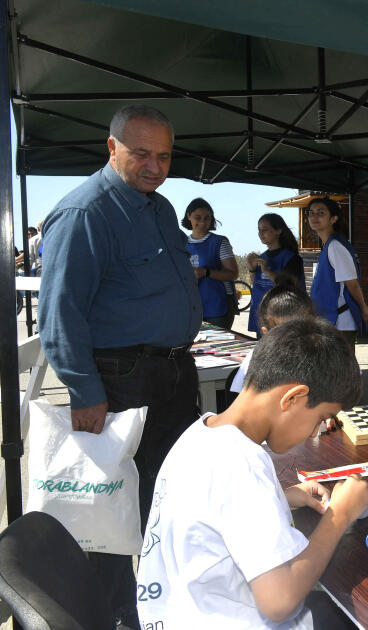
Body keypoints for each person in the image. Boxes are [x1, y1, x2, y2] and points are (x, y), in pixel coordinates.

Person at [38, 104, 202, 628]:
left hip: (173, 375)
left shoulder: (157, 207)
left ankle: (164, 603)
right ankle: (118, 616)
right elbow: (59, 313)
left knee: (170, 494)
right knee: (112, 509)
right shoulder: (86, 212)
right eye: (141, 154)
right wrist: (85, 392)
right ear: (111, 149)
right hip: (122, 380)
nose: (155, 165)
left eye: (164, 155)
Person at [136, 318, 368, 628]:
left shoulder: (200, 433)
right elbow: (279, 602)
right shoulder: (241, 463)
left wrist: (278, 499)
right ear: (293, 398)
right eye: (320, 418)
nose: (315, 430)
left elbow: (210, 513)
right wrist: (339, 515)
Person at [306, 196, 368, 347]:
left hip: (340, 321)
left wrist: (363, 308)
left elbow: (352, 284)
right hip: (331, 320)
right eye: (311, 213)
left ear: (333, 219)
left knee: (342, 369)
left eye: (321, 213)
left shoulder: (335, 246)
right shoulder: (330, 244)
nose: (314, 217)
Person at [230, 276, 315, 394]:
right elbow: (240, 401)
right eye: (286, 334)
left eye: (303, 331)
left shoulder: (318, 357)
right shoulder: (257, 361)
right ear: (267, 333)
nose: (296, 341)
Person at [182, 197, 239, 329]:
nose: (202, 222)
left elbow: (233, 274)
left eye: (207, 218)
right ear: (188, 216)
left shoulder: (220, 242)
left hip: (218, 306)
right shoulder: (181, 243)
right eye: (198, 217)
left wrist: (205, 272)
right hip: (191, 306)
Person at [247, 212, 305, 338]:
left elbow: (289, 286)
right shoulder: (262, 256)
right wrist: (252, 269)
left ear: (278, 230)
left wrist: (268, 271)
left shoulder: (291, 258)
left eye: (265, 229)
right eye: (259, 230)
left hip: (280, 316)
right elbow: (256, 282)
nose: (260, 233)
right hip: (261, 315)